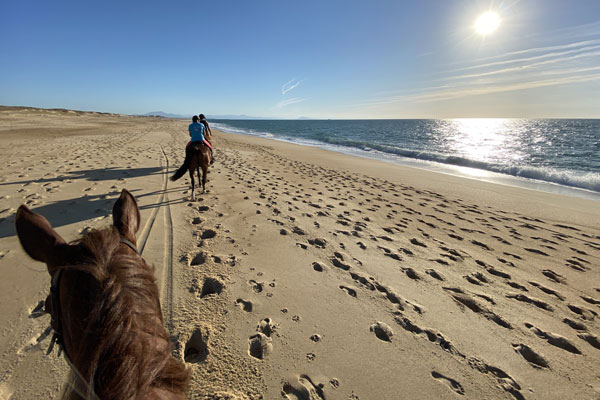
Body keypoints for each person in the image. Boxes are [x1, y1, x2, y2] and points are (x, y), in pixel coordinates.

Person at [170, 115, 213, 181]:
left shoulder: (190, 125)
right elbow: (204, 133)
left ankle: (187, 159)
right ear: (198, 120)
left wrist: (194, 134)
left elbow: (190, 134)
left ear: (192, 120)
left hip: (193, 140)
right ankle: (211, 158)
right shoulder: (202, 125)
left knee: (187, 147)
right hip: (201, 139)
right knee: (210, 147)